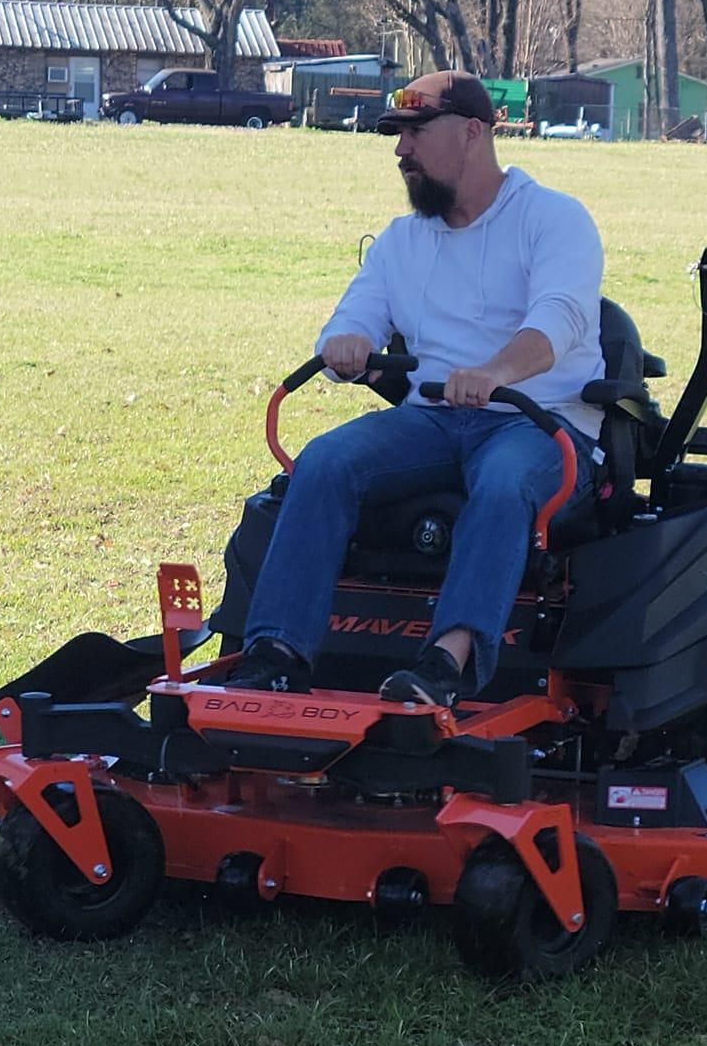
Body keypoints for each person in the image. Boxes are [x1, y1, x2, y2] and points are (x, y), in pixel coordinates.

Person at [226, 70, 604, 706]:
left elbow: (559, 321)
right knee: (324, 461)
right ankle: (277, 652)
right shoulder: (403, 240)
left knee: (505, 481)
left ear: (473, 133)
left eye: (415, 132)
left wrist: (495, 374)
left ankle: (444, 664)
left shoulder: (553, 219)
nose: (401, 150)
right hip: (431, 420)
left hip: (543, 422)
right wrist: (345, 343)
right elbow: (357, 314)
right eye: (396, 136)